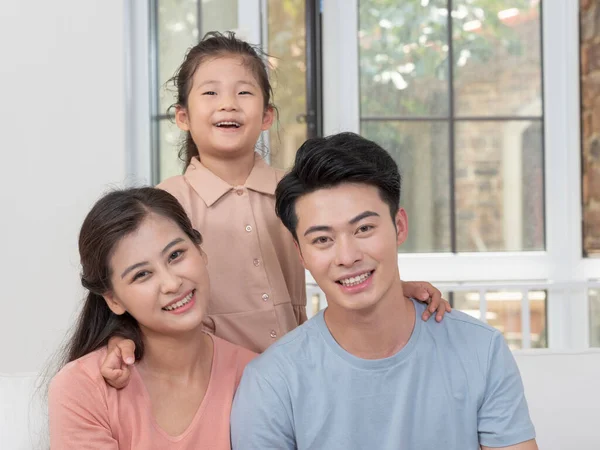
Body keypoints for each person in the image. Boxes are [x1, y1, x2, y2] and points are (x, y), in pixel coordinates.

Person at [102, 31, 449, 385]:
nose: (228, 104)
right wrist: (120, 337)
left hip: (300, 375)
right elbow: (136, 286)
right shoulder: (165, 205)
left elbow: (341, 254)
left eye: (244, 92)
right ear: (182, 117)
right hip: (213, 380)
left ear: (267, 116)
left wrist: (393, 288)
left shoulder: (299, 194)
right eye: (210, 92)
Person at [230, 132, 538, 450]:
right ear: (301, 253)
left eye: (364, 229)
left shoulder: (480, 350)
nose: (347, 257)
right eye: (322, 239)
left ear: (399, 226)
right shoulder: (271, 383)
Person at [49, 188, 256, 449]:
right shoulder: (83, 387)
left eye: (175, 255)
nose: (171, 283)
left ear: (200, 251)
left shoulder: (254, 376)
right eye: (142, 275)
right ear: (114, 299)